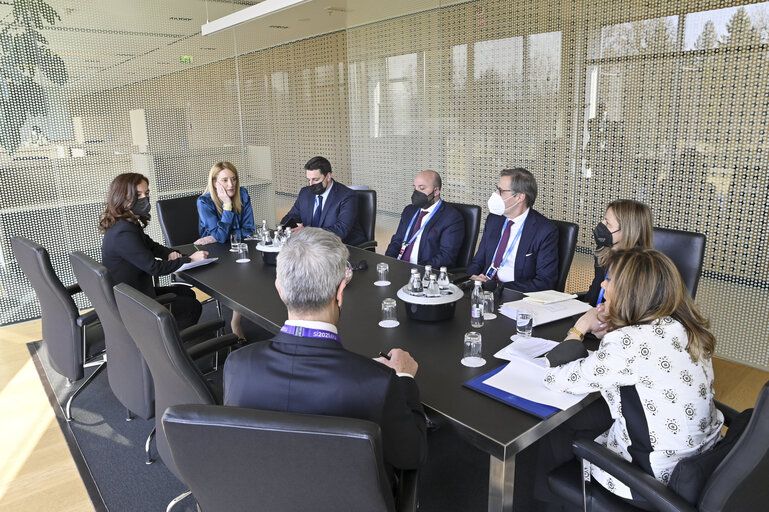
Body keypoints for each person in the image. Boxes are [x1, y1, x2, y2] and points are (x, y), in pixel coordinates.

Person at [224, 228, 427, 480]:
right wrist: (405, 379)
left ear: (279, 288)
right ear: (340, 292)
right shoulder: (377, 382)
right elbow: (412, 455)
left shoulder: (237, 365)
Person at [542, 248, 724, 505]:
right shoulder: (683, 326)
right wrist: (616, 330)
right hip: (700, 462)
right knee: (591, 416)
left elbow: (556, 378)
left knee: (557, 428)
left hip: (651, 480)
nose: (603, 283)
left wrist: (581, 326)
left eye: (610, 279)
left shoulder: (630, 341)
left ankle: (545, 499)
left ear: (631, 292)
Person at [99, 173, 208, 330]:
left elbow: (151, 245)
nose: (144, 198)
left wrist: (169, 253)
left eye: (146, 193)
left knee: (186, 292)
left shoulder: (126, 224)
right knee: (191, 306)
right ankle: (168, 348)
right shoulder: (123, 232)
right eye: (138, 195)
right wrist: (190, 260)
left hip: (133, 294)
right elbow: (154, 268)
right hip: (132, 303)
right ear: (122, 198)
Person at [467, 168, 559, 292]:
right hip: (483, 290)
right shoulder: (494, 219)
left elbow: (545, 281)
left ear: (520, 197)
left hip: (516, 296)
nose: (495, 194)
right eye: (497, 188)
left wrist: (499, 287)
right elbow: (478, 261)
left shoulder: (544, 230)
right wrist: (473, 276)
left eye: (501, 191)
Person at [194, 162, 255, 340]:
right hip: (214, 254)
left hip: (239, 249)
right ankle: (235, 323)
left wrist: (221, 234)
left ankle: (237, 319)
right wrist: (227, 206)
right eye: (225, 180)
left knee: (253, 271)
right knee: (241, 277)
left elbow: (249, 229)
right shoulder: (204, 201)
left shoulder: (242, 193)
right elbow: (220, 238)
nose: (231, 185)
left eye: (234, 179)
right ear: (214, 182)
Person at [384, 170, 465, 268]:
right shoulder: (409, 211)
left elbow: (446, 257)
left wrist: (416, 269)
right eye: (415, 188)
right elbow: (397, 241)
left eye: (421, 188)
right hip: (399, 268)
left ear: (436, 191)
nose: (416, 192)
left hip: (424, 273)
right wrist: (388, 261)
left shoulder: (451, 217)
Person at [280, 156, 366, 246]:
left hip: (341, 247)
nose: (311, 184)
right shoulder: (305, 193)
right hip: (312, 246)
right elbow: (290, 218)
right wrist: (291, 228)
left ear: (328, 176)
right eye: (308, 180)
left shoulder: (347, 196)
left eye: (315, 179)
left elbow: (341, 230)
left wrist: (306, 232)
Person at [584, 199, 653, 307]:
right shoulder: (604, 251)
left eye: (608, 223)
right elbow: (596, 288)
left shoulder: (640, 266)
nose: (601, 225)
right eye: (604, 220)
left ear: (627, 231)